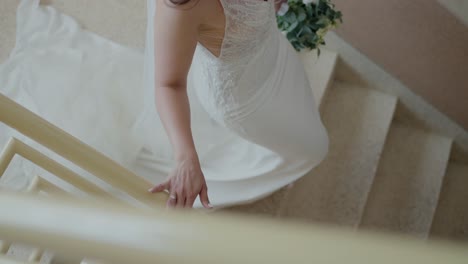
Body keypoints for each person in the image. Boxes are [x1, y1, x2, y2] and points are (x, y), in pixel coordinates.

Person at [136, 0, 329, 209]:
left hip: (274, 55)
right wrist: (185, 158)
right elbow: (169, 85)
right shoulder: (182, 8)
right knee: (314, 147)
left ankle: (287, 155)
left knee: (301, 115)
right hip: (247, 102)